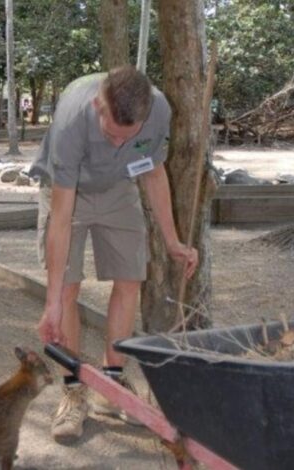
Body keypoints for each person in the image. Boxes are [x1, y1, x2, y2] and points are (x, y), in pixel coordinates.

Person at [29, 65, 199, 444]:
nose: (120, 144)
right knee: (68, 288)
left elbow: (153, 173)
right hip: (65, 192)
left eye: (130, 136)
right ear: (98, 106)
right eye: (111, 135)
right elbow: (60, 218)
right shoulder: (74, 119)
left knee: (129, 278)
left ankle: (113, 383)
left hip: (118, 190)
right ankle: (74, 388)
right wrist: (52, 300)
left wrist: (172, 241)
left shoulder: (157, 110)